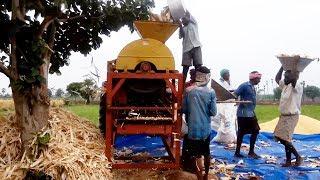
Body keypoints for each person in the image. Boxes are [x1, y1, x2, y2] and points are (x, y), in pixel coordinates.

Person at [182, 66, 217, 180]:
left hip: (192, 129)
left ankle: (198, 176)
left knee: (194, 155)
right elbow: (213, 112)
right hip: (205, 129)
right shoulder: (211, 92)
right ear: (207, 77)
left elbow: (184, 110)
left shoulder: (188, 91)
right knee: (206, 153)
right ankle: (206, 175)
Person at [274, 67, 303, 167]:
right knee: (282, 138)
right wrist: (282, 66)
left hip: (291, 116)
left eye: (286, 77)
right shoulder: (285, 85)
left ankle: (298, 157)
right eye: (284, 76)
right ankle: (288, 161)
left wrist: (294, 68)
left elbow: (294, 79)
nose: (284, 78)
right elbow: (277, 79)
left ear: (292, 78)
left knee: (285, 139)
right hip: (283, 116)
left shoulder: (297, 86)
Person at [233, 71, 262, 158]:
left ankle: (250, 151)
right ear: (254, 78)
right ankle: (239, 152)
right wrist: (240, 101)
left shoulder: (252, 87)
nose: (259, 81)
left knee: (255, 131)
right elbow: (235, 94)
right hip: (243, 114)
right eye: (259, 79)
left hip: (250, 113)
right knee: (242, 132)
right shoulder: (244, 86)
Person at [212, 69, 237, 144]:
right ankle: (221, 133)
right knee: (223, 119)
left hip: (229, 105)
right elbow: (222, 94)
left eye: (229, 74)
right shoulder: (220, 83)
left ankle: (229, 135)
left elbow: (231, 91)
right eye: (227, 74)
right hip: (222, 105)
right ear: (223, 75)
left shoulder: (229, 82)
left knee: (230, 120)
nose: (229, 75)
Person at [179, 11, 202, 83]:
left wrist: (182, 9)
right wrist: (180, 26)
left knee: (198, 66)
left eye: (183, 19)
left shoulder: (193, 23)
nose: (182, 21)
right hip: (186, 49)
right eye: (181, 20)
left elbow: (188, 13)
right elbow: (181, 35)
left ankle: (199, 85)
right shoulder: (183, 28)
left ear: (187, 18)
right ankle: (181, 87)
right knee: (185, 67)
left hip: (196, 46)